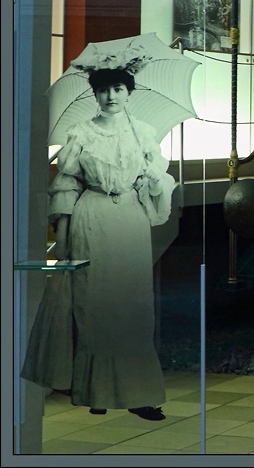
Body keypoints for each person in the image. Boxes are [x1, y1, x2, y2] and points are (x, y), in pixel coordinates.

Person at [23, 65, 175, 421]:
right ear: (95, 94)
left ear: (129, 92)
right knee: (93, 305)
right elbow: (66, 186)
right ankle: (95, 391)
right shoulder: (81, 134)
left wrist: (154, 179)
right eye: (104, 90)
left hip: (131, 222)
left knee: (132, 306)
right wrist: (62, 241)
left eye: (118, 89)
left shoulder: (142, 132)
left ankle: (139, 396)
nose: (111, 96)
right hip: (91, 219)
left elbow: (159, 182)